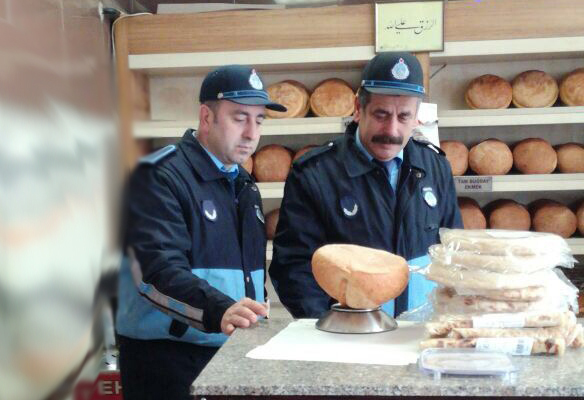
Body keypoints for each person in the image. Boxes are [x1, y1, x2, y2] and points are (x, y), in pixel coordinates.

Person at [116, 65, 286, 400]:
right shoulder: (158, 177)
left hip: (229, 353)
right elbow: (154, 271)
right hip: (166, 363)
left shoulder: (244, 186)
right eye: (239, 118)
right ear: (206, 117)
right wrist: (219, 309)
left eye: (259, 120)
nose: (251, 133)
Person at [269, 52, 463, 319]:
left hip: (420, 328)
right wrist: (327, 326)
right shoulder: (316, 173)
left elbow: (452, 252)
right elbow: (294, 266)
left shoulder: (435, 167)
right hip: (349, 331)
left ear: (417, 117)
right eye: (381, 115)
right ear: (358, 109)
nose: (391, 131)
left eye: (403, 117)